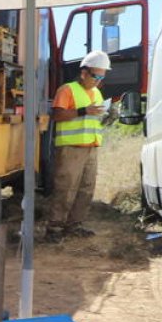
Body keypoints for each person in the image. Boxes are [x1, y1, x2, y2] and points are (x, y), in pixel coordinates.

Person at [44, 50, 111, 242]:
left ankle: (74, 226)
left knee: (86, 189)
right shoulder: (67, 90)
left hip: (91, 148)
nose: (98, 80)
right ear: (84, 73)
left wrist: (105, 118)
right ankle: (54, 230)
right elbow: (57, 115)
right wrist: (84, 111)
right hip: (70, 148)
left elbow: (93, 119)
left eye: (102, 76)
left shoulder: (97, 93)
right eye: (95, 75)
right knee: (65, 189)